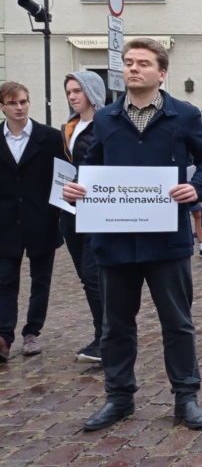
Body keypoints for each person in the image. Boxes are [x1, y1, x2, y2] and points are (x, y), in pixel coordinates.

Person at [63, 38, 202, 432]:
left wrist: (197, 188)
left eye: (143, 63)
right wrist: (77, 187)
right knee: (115, 324)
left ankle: (186, 397)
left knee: (177, 321)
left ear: (161, 73)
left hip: (165, 237)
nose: (133, 68)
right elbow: (91, 165)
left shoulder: (183, 115)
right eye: (128, 62)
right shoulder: (105, 118)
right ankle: (119, 398)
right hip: (114, 239)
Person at [0, 81, 64, 362]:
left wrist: (57, 212)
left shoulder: (48, 137)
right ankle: (4, 336)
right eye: (12, 103)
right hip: (5, 223)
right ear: (2, 106)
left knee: (41, 280)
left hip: (41, 220)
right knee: (5, 281)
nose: (19, 107)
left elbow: (62, 176)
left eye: (23, 101)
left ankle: (32, 332)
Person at [61, 71, 108, 362]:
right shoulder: (70, 126)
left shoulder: (106, 125)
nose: (73, 96)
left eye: (78, 90)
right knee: (84, 275)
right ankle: (101, 335)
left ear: (92, 91)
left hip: (98, 209)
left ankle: (107, 339)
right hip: (70, 210)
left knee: (94, 275)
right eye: (69, 92)